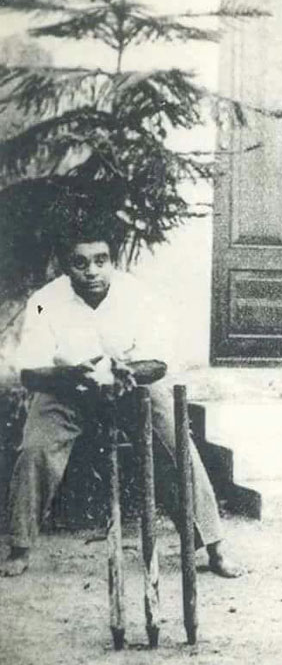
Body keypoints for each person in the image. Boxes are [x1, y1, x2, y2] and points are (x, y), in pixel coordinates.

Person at [0, 228, 241, 580]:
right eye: (80, 263)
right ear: (66, 266)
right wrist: (71, 376)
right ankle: (19, 547)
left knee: (178, 446)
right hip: (69, 389)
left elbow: (158, 363)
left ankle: (215, 547)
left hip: (130, 386)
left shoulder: (137, 295)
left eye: (101, 261)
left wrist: (123, 372)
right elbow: (31, 373)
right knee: (35, 448)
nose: (92, 271)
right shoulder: (44, 300)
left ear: (112, 261)